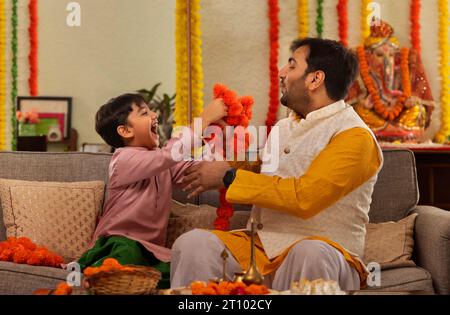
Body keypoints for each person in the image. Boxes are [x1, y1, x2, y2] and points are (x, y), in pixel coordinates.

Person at [170, 38, 384, 291]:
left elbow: (304, 197)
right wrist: (220, 155)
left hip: (326, 250)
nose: (281, 73)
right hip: (261, 248)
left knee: (309, 252)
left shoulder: (354, 137)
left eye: (292, 66)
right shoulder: (286, 126)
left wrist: (228, 177)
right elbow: (266, 166)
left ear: (315, 79)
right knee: (194, 244)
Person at [77, 93, 227, 288]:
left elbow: (195, 172)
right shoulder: (123, 160)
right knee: (125, 253)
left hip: (152, 251)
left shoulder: (161, 161)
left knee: (176, 268)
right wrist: (203, 119)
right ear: (125, 130)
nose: (154, 115)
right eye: (144, 113)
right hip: (117, 243)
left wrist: (217, 139)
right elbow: (168, 156)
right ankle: (95, 275)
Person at [346, 19, 434, 143]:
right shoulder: (360, 70)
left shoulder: (403, 68)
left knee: (418, 110)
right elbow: (347, 106)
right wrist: (363, 104)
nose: (387, 60)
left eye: (391, 55)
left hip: (399, 118)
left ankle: (393, 132)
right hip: (374, 119)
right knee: (359, 112)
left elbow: (416, 98)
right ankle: (395, 133)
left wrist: (410, 101)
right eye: (380, 55)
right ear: (368, 56)